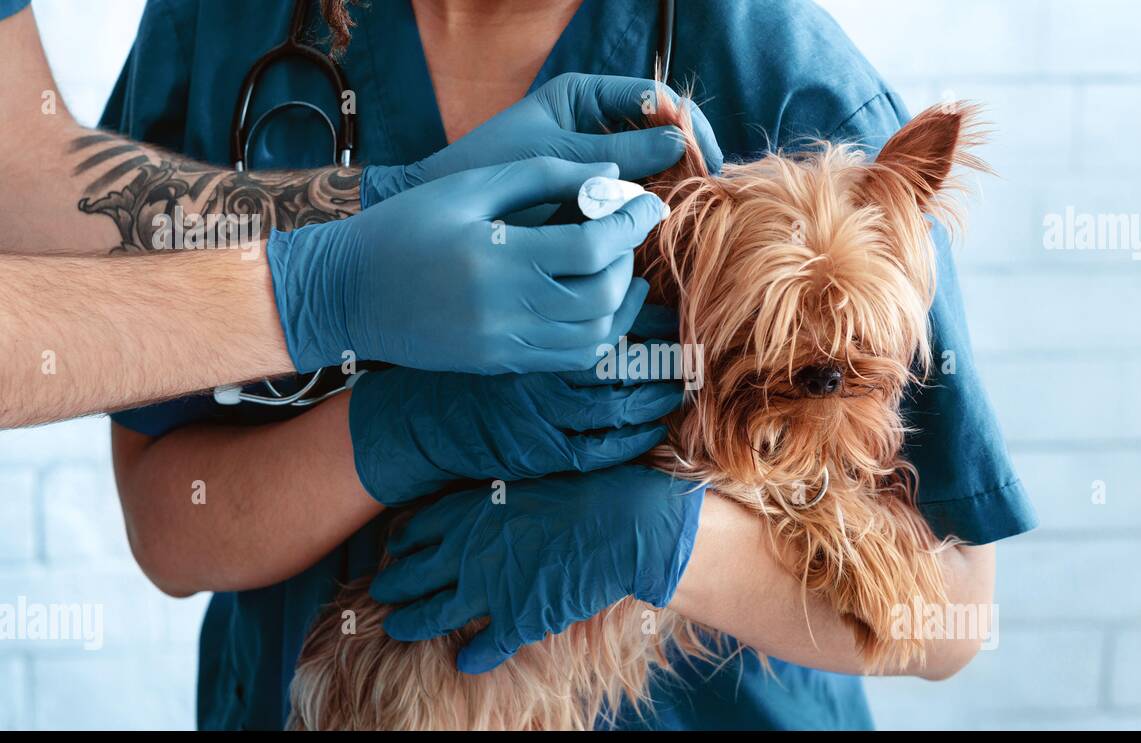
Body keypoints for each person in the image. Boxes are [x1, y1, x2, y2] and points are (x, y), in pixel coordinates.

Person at [110, 0, 1036, 730]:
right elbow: (169, 527)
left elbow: (952, 615)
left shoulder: (786, 76)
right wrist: (400, 429)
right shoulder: (222, 24)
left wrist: (664, 541)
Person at [0, 0, 704, 426]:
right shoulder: (221, 21)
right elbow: (168, 512)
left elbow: (22, 178)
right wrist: (325, 298)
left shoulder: (768, 49)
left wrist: (382, 200)